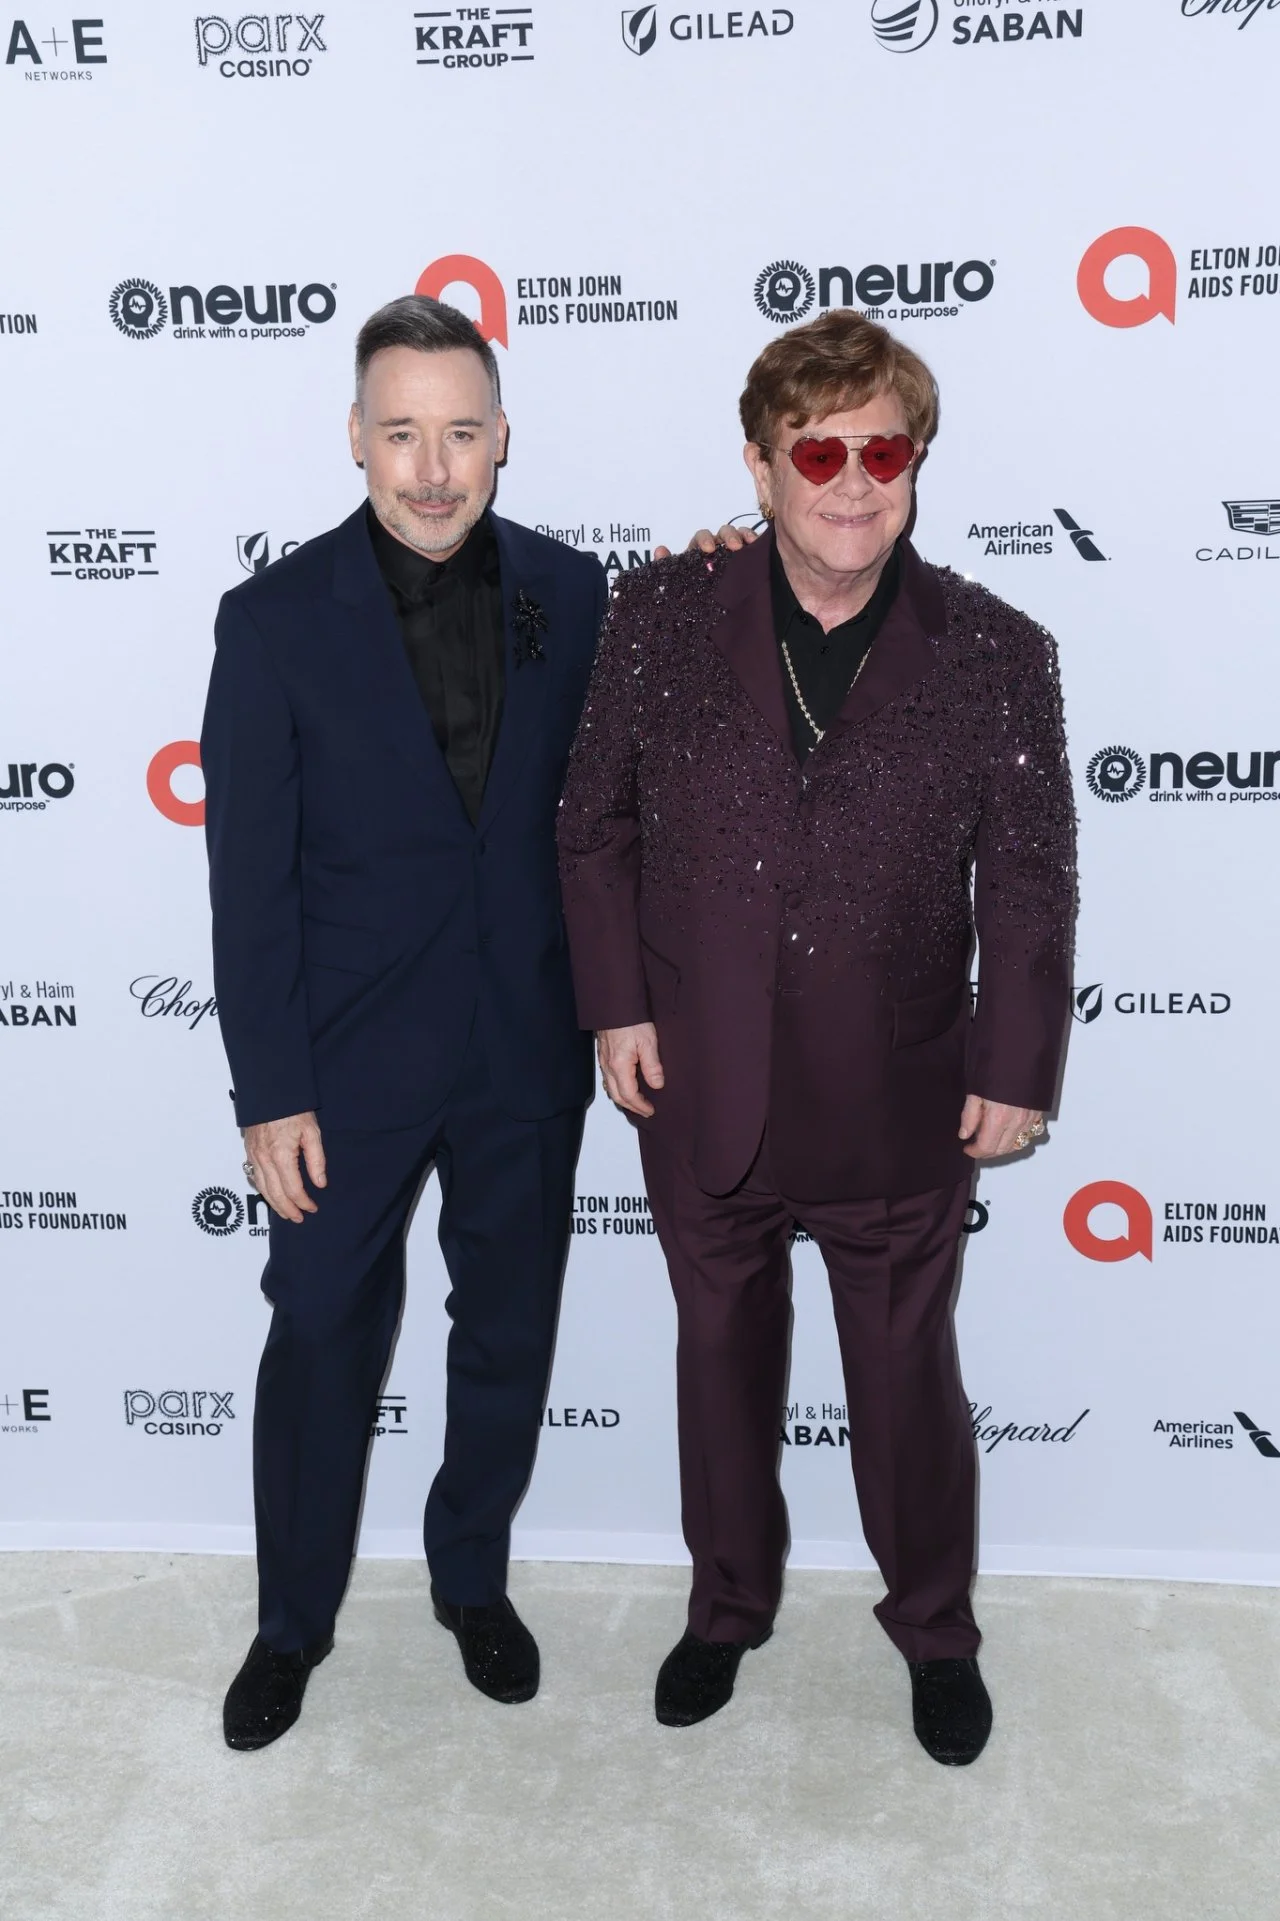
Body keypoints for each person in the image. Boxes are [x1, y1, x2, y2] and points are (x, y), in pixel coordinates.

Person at [556, 310, 1076, 1765]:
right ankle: (727, 1609)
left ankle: (936, 1629)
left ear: (917, 465)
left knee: (907, 1386)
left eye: (884, 450)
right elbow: (591, 824)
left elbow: (1031, 879)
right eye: (821, 450)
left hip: (900, 1096)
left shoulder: (995, 651)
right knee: (718, 1365)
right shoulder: (657, 617)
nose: (855, 481)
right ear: (763, 466)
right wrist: (618, 1004)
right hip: (700, 1081)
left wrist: (1014, 1068)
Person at [202, 295, 607, 1750]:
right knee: (319, 1331)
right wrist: (270, 1089)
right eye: (400, 433)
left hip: (522, 1049)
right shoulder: (271, 622)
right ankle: (290, 1623)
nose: (431, 469)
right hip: (345, 1066)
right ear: (355, 439)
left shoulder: (580, 593)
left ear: (502, 439)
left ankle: (471, 1582)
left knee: (504, 1331)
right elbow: (246, 880)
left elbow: (611, 814)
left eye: (458, 433)